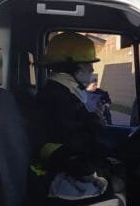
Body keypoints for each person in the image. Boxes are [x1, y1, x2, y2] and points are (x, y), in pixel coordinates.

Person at [35, 32, 107, 178]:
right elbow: (71, 138)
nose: (92, 70)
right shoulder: (55, 96)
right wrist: (95, 122)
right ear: (71, 67)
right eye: (88, 64)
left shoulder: (64, 91)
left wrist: (94, 118)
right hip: (63, 170)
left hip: (71, 163)